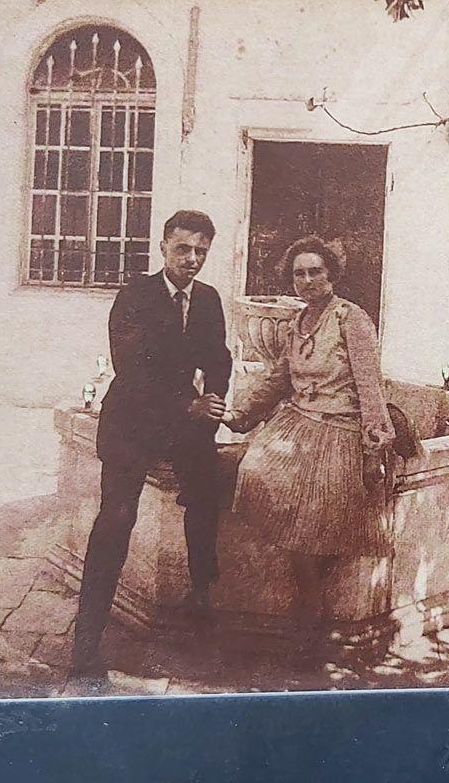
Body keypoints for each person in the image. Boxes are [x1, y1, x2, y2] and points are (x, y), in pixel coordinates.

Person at [69, 210, 232, 683]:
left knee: (206, 491)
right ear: (163, 247)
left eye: (201, 251)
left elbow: (217, 357)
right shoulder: (135, 295)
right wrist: (189, 405)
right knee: (116, 520)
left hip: (183, 426)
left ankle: (199, 596)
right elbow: (133, 368)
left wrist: (215, 400)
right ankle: (86, 639)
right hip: (132, 423)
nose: (192, 259)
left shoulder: (207, 300)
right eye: (183, 249)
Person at [228, 236, 394, 657]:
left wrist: (374, 448)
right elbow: (280, 375)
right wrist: (241, 413)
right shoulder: (297, 322)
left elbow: (370, 384)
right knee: (253, 470)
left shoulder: (350, 319)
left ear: (331, 274)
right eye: (299, 273)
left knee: (318, 514)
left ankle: (309, 608)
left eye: (315, 271)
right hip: (297, 423)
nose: (307, 280)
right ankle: (310, 599)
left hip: (340, 429)